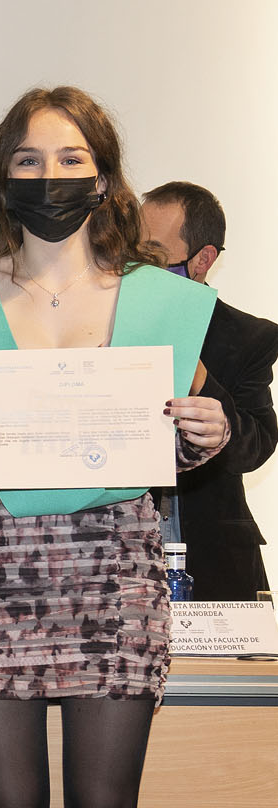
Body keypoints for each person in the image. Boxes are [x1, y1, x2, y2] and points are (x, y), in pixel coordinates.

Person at [0, 87, 230, 808]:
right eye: (28, 160)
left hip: (116, 578)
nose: (49, 175)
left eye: (70, 157)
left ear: (103, 176)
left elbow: (178, 436)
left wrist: (206, 431)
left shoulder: (158, 299)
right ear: (3, 177)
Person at [141, 181, 276, 599]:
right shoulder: (98, 326)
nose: (138, 268)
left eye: (153, 256)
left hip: (215, 560)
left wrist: (196, 373)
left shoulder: (250, 337)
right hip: (123, 558)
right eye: (131, 254)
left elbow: (254, 448)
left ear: (202, 259)